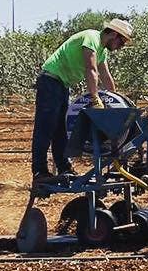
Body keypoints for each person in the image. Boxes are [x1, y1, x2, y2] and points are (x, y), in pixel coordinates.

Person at [32, 18, 132, 184]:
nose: (120, 47)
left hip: (62, 84)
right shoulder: (91, 38)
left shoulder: (102, 50)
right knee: (46, 127)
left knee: (61, 130)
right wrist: (95, 99)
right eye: (121, 42)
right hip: (50, 80)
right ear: (114, 34)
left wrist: (116, 100)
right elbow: (91, 70)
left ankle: (64, 168)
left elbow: (106, 76)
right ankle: (39, 172)